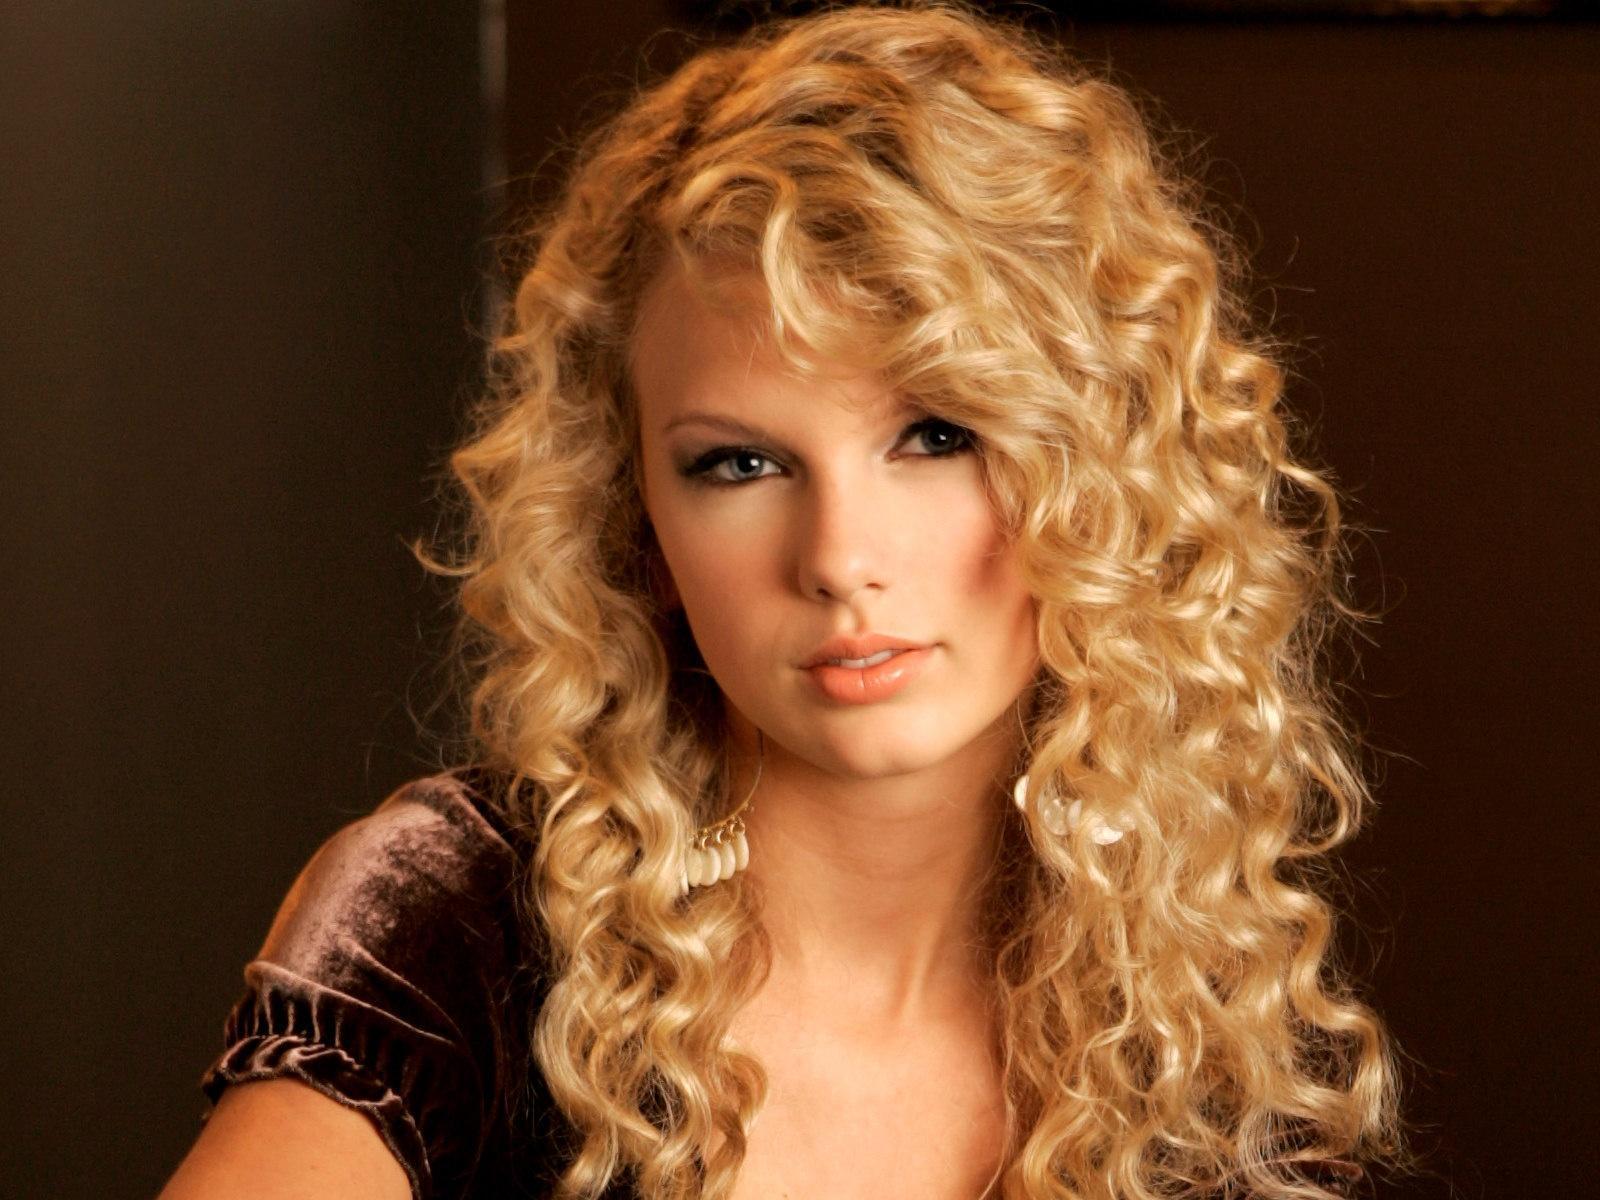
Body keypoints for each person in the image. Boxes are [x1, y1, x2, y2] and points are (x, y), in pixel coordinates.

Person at [160, 3, 1407, 1198]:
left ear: (1103, 476)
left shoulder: (1191, 1049)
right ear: (636, 523)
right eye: (739, 465)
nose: (838, 558)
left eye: (937, 435)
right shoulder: (461, 921)